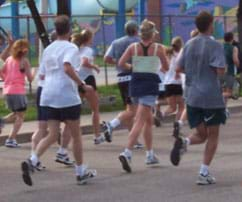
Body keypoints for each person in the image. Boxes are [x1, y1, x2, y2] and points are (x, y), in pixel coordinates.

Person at [21, 15, 96, 186]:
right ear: (69, 30)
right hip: (66, 94)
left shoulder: (48, 49)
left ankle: (32, 160)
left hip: (48, 93)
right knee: (76, 135)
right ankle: (80, 172)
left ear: (56, 30)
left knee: (53, 133)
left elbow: (42, 73)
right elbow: (68, 67)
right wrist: (82, 84)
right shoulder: (71, 47)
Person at [170, 11, 227, 185]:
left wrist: (195, 72)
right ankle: (203, 173)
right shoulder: (216, 45)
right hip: (211, 96)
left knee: (201, 135)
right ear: (210, 25)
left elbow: (178, 68)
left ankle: (184, 142)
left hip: (192, 96)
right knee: (213, 135)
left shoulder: (188, 44)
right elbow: (220, 70)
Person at [118, 19, 168, 173]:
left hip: (135, 85)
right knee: (140, 121)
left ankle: (150, 154)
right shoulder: (158, 49)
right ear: (152, 34)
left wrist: (133, 66)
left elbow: (121, 63)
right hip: (149, 86)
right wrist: (155, 66)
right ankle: (127, 152)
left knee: (147, 121)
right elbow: (166, 67)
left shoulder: (133, 47)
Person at [103, 20, 143, 148]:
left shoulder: (117, 42)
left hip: (121, 78)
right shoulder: (139, 43)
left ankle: (134, 141)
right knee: (133, 111)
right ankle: (112, 124)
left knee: (129, 109)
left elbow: (106, 58)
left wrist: (119, 62)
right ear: (136, 30)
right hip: (134, 77)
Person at [71, 30, 105, 145]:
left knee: (76, 109)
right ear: (89, 38)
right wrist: (94, 66)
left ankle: (73, 134)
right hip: (88, 79)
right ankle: (97, 135)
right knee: (95, 109)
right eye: (92, 37)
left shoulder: (77, 50)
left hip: (78, 79)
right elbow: (84, 62)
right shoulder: (88, 50)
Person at [0, 39, 34, 148]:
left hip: (8, 91)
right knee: (20, 116)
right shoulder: (24, 61)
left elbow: (2, 70)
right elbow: (30, 79)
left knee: (16, 113)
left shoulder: (9, 59)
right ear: (25, 50)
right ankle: (11, 139)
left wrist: (6, 79)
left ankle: (1, 121)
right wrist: (33, 72)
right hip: (18, 91)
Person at [162, 36, 185, 121]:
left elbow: (162, 68)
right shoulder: (181, 54)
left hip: (168, 83)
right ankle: (177, 124)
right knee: (181, 106)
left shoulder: (168, 54)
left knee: (172, 107)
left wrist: (168, 74)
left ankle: (161, 115)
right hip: (178, 83)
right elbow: (181, 67)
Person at [221, 32, 240, 104]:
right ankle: (214, 96)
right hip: (230, 71)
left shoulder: (220, 47)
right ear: (232, 38)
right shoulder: (233, 48)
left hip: (220, 71)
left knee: (224, 91)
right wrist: (238, 65)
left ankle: (224, 109)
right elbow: (235, 60)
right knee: (229, 93)